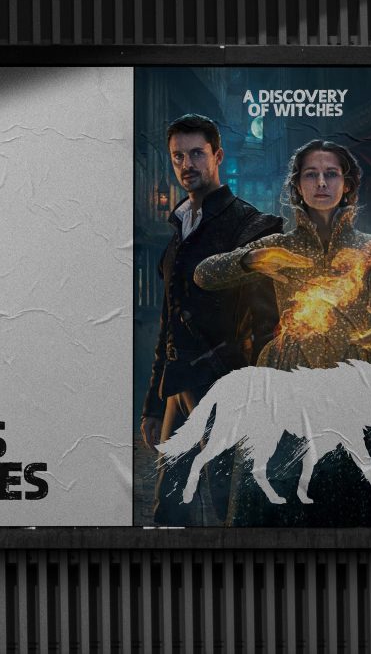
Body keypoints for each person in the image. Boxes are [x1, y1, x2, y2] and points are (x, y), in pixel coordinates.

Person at [194, 139, 371, 525]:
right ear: (297, 186)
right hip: (289, 378)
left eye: (330, 174)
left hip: (359, 381)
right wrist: (251, 259)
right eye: (311, 174)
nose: (321, 182)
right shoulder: (279, 244)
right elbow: (204, 274)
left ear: (347, 185)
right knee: (286, 493)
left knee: (361, 492)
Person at [140, 114, 283, 525]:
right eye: (178, 156)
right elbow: (168, 323)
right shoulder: (179, 229)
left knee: (230, 505)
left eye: (197, 154)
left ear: (217, 156)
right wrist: (152, 404)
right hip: (178, 385)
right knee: (169, 508)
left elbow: (265, 324)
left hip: (227, 388)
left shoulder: (248, 226)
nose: (188, 164)